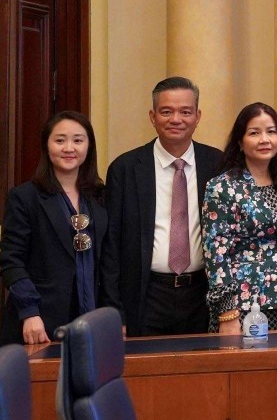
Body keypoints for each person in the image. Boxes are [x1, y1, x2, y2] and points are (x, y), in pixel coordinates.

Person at [105, 76, 223, 335]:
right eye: (166, 111)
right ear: (152, 116)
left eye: (185, 112)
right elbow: (111, 246)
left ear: (198, 116)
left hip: (201, 296)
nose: (176, 119)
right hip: (145, 296)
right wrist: (116, 312)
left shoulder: (218, 165)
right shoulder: (125, 169)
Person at [1, 112, 119, 345]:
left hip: (90, 318)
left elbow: (108, 260)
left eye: (78, 140)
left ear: (89, 146)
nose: (69, 148)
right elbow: (11, 260)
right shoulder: (25, 197)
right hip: (39, 321)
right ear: (47, 146)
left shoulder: (99, 197)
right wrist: (29, 312)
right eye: (60, 140)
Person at [203, 103, 277, 333]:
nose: (265, 139)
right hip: (241, 305)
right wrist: (227, 312)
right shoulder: (222, 187)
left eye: (271, 131)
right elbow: (216, 254)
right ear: (240, 141)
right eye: (254, 133)